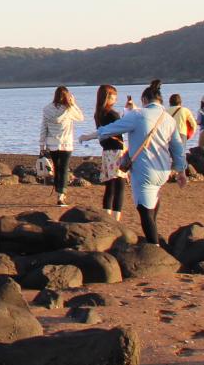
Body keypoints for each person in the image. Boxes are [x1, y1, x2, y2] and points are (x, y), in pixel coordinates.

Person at [78, 78, 187, 245]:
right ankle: (155, 236)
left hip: (144, 171)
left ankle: (154, 246)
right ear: (160, 101)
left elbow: (109, 130)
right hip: (163, 172)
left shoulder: (138, 115)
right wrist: (181, 171)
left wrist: (88, 136)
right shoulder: (169, 119)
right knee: (153, 202)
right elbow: (178, 148)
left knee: (144, 211)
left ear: (144, 100)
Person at [40, 86, 85, 207]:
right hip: (66, 143)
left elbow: (44, 127)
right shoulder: (69, 109)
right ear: (67, 96)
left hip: (52, 143)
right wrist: (73, 104)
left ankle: (58, 193)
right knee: (64, 168)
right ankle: (61, 196)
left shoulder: (47, 109)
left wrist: (41, 144)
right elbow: (81, 117)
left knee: (57, 168)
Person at [92, 84, 126, 220]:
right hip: (117, 150)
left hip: (106, 152)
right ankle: (116, 217)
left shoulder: (98, 114)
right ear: (107, 97)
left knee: (110, 186)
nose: (115, 99)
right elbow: (123, 127)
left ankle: (106, 216)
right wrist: (129, 111)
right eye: (113, 96)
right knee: (120, 186)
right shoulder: (112, 114)